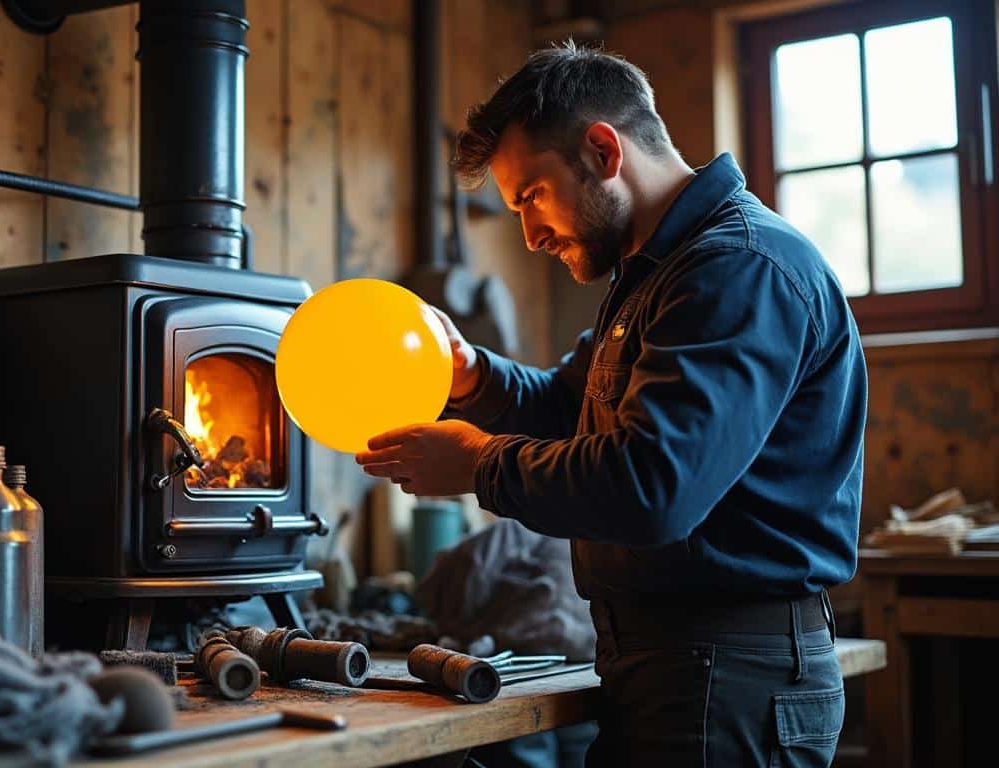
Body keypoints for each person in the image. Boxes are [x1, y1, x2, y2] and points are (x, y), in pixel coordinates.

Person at [355, 42, 866, 767]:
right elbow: (571, 411)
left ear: (602, 149)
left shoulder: (735, 269)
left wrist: (479, 465)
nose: (529, 235)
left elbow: (653, 486)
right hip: (673, 664)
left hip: (728, 672)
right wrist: (472, 376)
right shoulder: (659, 275)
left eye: (531, 195)